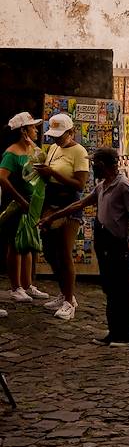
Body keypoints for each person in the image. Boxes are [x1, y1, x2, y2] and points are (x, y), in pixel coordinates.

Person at [40, 148, 129, 346]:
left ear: (103, 165)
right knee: (110, 288)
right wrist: (51, 217)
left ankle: (128, 334)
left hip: (117, 242)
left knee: (123, 289)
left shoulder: (123, 186)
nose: (93, 167)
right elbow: (78, 205)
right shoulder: (102, 186)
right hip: (103, 240)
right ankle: (114, 331)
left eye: (95, 163)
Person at [35, 113, 89, 321]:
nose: (57, 139)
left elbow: (80, 184)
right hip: (50, 203)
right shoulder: (54, 148)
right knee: (50, 251)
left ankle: (69, 300)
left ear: (71, 132)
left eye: (61, 135)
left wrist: (53, 173)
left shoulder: (79, 151)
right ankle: (63, 292)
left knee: (65, 252)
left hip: (69, 205)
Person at [0, 112, 46, 311]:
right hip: (16, 204)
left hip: (32, 203)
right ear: (23, 131)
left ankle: (28, 284)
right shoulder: (11, 153)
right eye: (32, 128)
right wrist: (19, 198)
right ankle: (16, 286)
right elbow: (2, 178)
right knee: (16, 244)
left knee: (29, 243)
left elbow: (41, 161)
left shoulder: (31, 150)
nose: (36, 130)